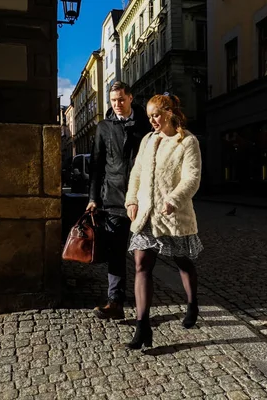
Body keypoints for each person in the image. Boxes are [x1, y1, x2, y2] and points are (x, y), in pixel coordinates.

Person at [124, 92, 203, 350]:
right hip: (146, 214)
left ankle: (192, 303)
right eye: (149, 117)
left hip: (173, 215)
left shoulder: (187, 141)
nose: (152, 121)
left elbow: (192, 178)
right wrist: (132, 200)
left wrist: (174, 199)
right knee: (141, 264)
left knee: (182, 262)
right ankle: (142, 326)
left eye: (156, 115)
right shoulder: (148, 139)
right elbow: (136, 172)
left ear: (169, 112)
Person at [87, 81, 151, 320]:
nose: (117, 105)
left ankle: (145, 300)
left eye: (121, 100)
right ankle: (115, 303)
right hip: (113, 199)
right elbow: (96, 164)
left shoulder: (144, 124)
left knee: (144, 254)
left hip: (142, 199)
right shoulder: (104, 127)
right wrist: (93, 197)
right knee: (115, 252)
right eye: (113, 101)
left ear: (130, 98)